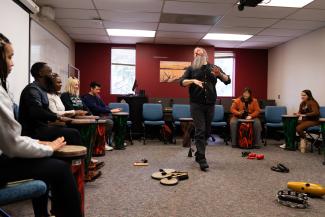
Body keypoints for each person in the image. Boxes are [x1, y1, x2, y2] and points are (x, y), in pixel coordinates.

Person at [0, 33, 82, 217]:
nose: (12, 62)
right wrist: (48, 147)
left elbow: (8, 139)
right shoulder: (32, 90)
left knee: (51, 163)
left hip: (13, 146)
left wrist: (38, 144)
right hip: (25, 138)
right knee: (59, 168)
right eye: (9, 56)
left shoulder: (40, 91)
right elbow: (12, 144)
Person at [180, 47, 231, 171]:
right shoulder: (191, 69)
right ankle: (202, 158)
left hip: (210, 104)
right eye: (194, 53)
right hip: (196, 105)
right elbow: (182, 82)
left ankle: (198, 153)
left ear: (205, 55)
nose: (196, 53)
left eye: (199, 52)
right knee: (201, 130)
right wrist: (193, 80)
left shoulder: (213, 68)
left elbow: (227, 80)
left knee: (207, 131)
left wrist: (220, 75)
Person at [47, 74, 103, 181]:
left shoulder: (76, 96)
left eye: (78, 85)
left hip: (74, 120)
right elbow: (68, 109)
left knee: (92, 128)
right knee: (77, 135)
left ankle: (87, 162)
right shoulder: (65, 96)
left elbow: (84, 108)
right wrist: (76, 113)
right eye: (75, 85)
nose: (77, 86)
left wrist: (90, 115)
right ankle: (84, 167)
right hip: (69, 122)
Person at [18, 62, 82, 146]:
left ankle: (70, 158)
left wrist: (60, 118)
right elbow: (36, 111)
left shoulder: (41, 90)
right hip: (34, 131)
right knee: (74, 133)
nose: (52, 75)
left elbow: (45, 109)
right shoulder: (32, 90)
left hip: (41, 128)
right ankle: (79, 159)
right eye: (49, 72)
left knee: (69, 129)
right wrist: (57, 117)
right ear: (40, 73)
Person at [82, 81, 121, 149]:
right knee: (109, 122)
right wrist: (110, 111)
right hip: (93, 117)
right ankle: (103, 143)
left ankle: (114, 141)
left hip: (100, 116)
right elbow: (96, 108)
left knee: (116, 118)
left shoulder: (97, 97)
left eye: (99, 89)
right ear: (91, 88)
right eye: (97, 89)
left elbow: (104, 106)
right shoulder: (87, 97)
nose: (99, 91)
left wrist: (113, 109)